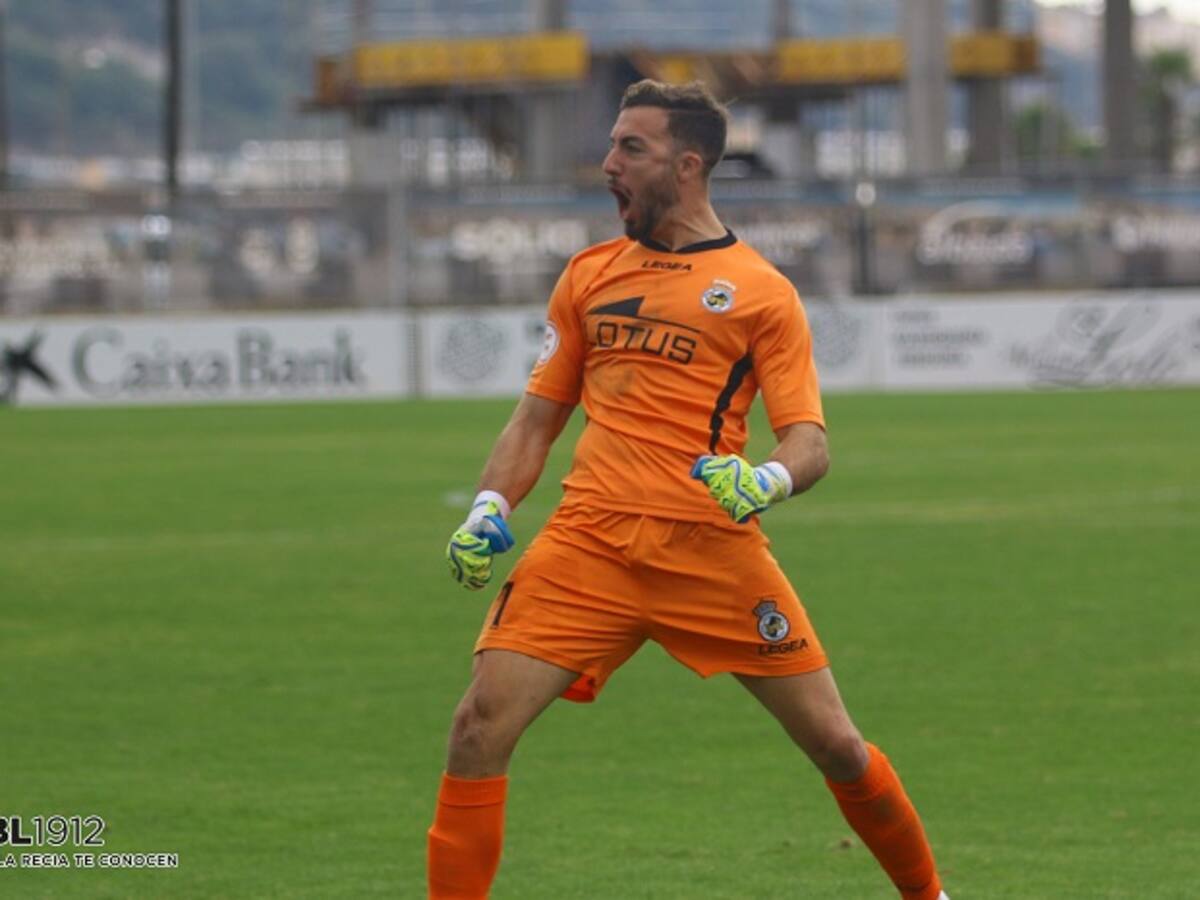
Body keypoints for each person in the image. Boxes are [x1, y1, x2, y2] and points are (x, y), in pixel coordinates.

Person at [429, 79, 948, 900]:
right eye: (611, 146)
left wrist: (764, 480)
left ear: (690, 164)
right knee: (476, 728)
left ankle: (931, 897)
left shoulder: (760, 292)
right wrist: (489, 506)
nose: (608, 164)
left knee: (839, 748)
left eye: (631, 149)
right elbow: (534, 422)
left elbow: (810, 442)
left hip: (708, 548)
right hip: (588, 542)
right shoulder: (589, 274)